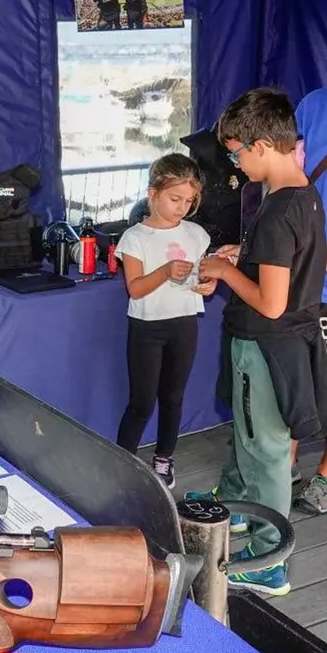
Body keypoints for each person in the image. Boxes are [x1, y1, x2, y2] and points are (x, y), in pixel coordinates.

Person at [186, 88, 327, 596]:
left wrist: (226, 271)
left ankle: (271, 560)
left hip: (266, 344)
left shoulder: (276, 211)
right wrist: (243, 254)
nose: (235, 164)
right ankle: (239, 506)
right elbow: (287, 262)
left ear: (262, 145)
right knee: (250, 437)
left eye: (236, 154)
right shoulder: (304, 195)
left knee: (267, 450)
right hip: (286, 343)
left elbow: (271, 302)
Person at [114, 154, 214, 488]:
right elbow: (136, 288)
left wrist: (209, 284)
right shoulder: (135, 238)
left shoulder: (197, 234)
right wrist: (166, 271)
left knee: (173, 396)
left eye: (189, 201)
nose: (182, 207)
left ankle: (164, 457)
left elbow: (204, 275)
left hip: (184, 323)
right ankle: (122, 462)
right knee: (141, 401)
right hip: (147, 327)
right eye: (175, 199)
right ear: (153, 193)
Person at [289, 88, 327, 513]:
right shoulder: (313, 104)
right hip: (301, 272)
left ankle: (325, 478)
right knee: (292, 376)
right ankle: (285, 465)